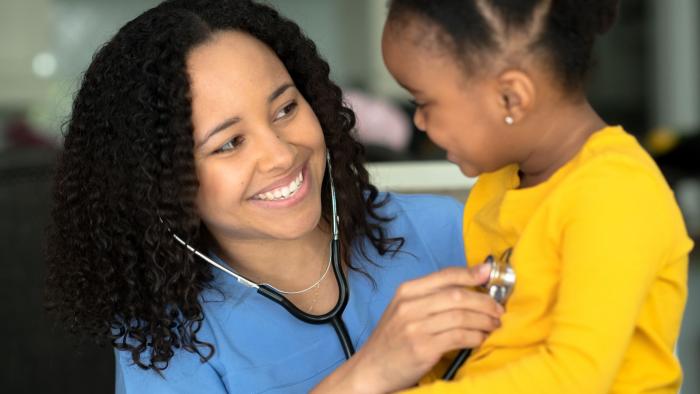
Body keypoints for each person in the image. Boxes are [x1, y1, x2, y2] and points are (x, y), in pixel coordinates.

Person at [44, 1, 505, 393]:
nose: (281, 155)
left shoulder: (445, 231)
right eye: (229, 143)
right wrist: (363, 377)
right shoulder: (163, 337)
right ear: (162, 183)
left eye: (285, 109)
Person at [381, 0, 694, 393]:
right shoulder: (501, 182)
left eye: (423, 103)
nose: (419, 122)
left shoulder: (614, 193)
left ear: (511, 98)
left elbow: (573, 377)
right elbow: (496, 347)